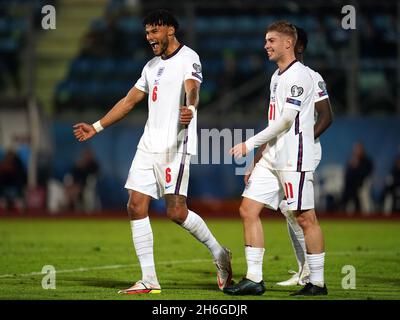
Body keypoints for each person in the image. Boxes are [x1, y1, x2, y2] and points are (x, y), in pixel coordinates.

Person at [73, 9, 232, 294]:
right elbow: (129, 100)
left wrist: (191, 108)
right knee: (135, 205)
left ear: (170, 30)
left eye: (154, 32)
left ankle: (220, 253)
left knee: (176, 212)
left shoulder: (189, 58)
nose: (149, 38)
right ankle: (149, 279)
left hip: (176, 147)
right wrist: (96, 127)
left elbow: (192, 87)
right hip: (148, 145)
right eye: (147, 33)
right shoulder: (150, 66)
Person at [224, 21, 327, 296]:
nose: (266, 45)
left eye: (271, 40)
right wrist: (258, 157)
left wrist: (249, 143)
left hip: (294, 157)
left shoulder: (301, 76)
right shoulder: (276, 76)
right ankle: (254, 279)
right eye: (266, 40)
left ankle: (317, 282)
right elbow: (273, 121)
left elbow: (285, 121)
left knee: (305, 217)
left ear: (287, 43)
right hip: (272, 156)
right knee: (248, 209)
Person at [274, 26, 333, 286]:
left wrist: (305, 139)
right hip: (282, 149)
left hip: (303, 150)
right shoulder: (277, 76)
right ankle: (303, 269)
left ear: (297, 46)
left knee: (295, 209)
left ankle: (310, 272)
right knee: (288, 208)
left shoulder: (311, 76)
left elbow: (327, 115)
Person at [342, 142, 374, 212]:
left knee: (362, 193)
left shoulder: (367, 161)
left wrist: (357, 166)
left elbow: (366, 174)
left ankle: (366, 216)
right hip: (351, 187)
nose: (357, 151)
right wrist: (352, 166)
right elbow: (348, 175)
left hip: (362, 185)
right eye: (356, 149)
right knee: (347, 191)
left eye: (358, 149)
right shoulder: (352, 161)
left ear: (362, 150)